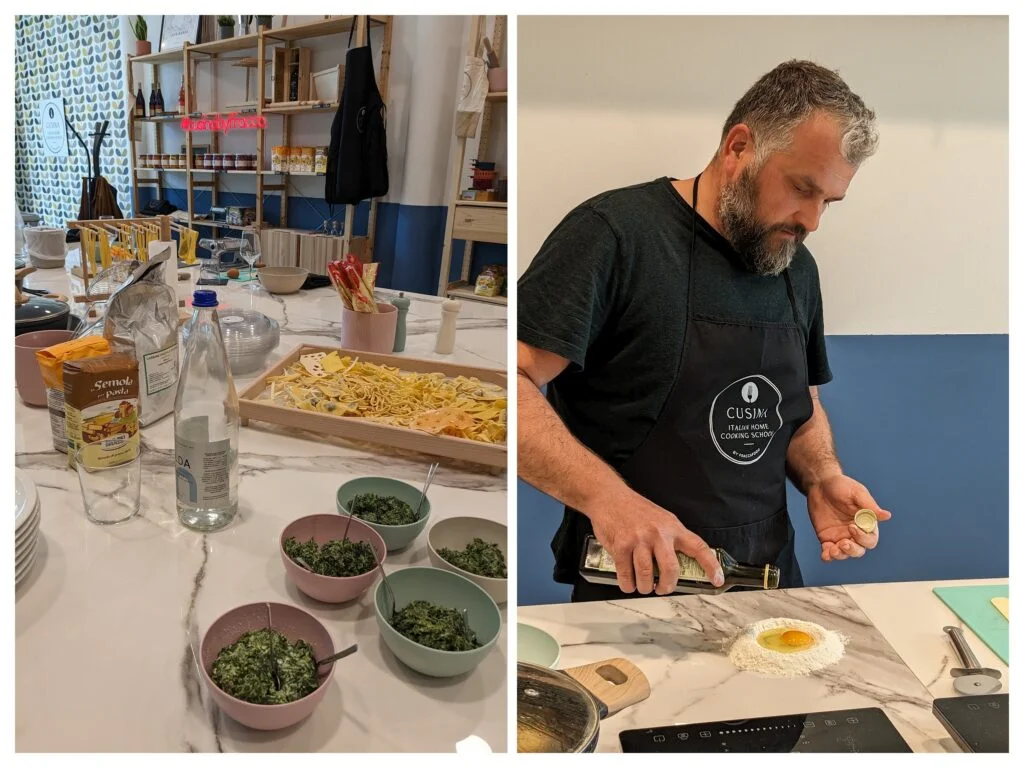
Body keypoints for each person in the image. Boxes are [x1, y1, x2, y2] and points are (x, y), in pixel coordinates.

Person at [517, 60, 893, 602]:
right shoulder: (616, 237)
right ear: (739, 148)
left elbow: (799, 405)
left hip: (767, 583)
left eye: (827, 202)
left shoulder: (795, 265)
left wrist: (822, 475)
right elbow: (512, 380)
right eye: (801, 188)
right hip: (638, 586)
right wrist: (610, 500)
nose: (811, 221)